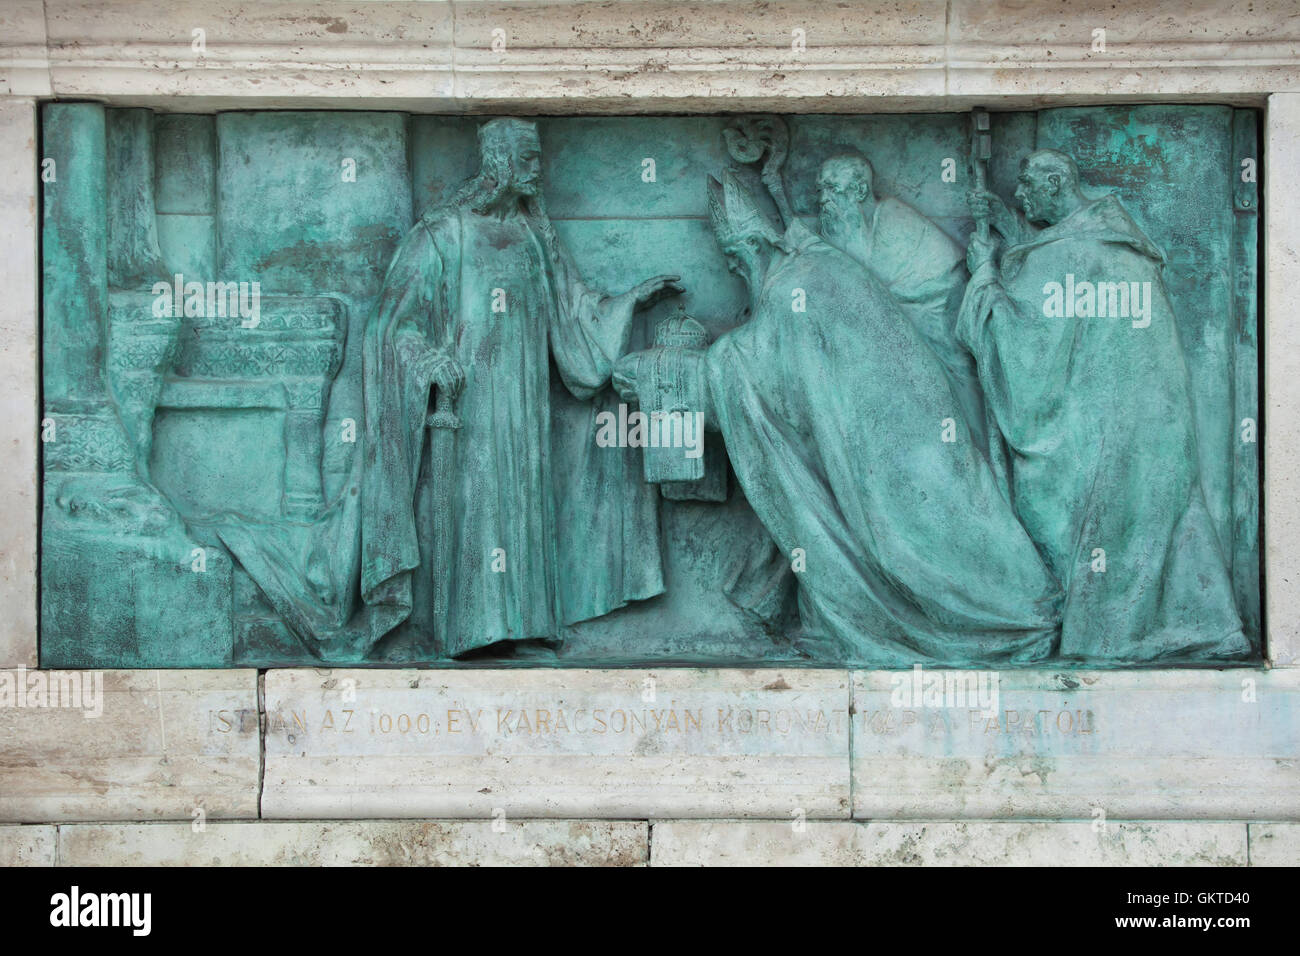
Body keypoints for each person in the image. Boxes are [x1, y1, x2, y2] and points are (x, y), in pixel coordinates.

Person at [960, 148, 1248, 661]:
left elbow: (1025, 344)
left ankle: (1110, 633)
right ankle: (1203, 623)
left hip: (1100, 443)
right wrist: (1011, 229)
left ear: (1056, 183)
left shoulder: (1075, 253)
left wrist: (983, 275)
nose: (1020, 198)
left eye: (1026, 187)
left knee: (1097, 526)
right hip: (1150, 433)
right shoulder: (1115, 239)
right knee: (1156, 522)